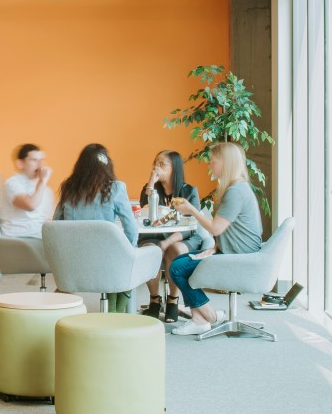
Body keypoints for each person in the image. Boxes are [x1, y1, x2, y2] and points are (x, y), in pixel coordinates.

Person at [165, 141, 265, 335]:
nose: (210, 165)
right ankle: (199, 318)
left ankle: (208, 316)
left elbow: (216, 228)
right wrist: (217, 247)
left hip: (239, 258)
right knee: (179, 262)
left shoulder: (235, 192)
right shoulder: (239, 188)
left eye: (213, 161)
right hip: (237, 252)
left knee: (177, 268)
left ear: (226, 163)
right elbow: (233, 230)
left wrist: (192, 210)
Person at [54, 143, 143, 313]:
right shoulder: (115, 188)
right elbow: (131, 227)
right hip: (105, 263)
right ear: (107, 164)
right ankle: (114, 315)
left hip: (72, 262)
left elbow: (56, 223)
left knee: (118, 260)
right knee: (125, 263)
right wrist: (131, 251)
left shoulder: (68, 188)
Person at [138, 149, 202, 322]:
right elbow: (144, 213)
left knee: (177, 249)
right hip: (154, 235)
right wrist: (151, 183)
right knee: (149, 250)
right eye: (155, 163)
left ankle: (173, 300)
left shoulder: (189, 191)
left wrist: (167, 242)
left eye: (162, 163)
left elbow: (191, 226)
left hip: (183, 237)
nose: (156, 167)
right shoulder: (150, 189)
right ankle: (154, 300)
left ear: (174, 167)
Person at [0, 143, 53, 238]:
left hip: (40, 235)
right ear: (21, 163)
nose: (40, 164)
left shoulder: (44, 188)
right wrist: (43, 180)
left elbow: (49, 217)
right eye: (34, 160)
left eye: (41, 160)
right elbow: (30, 205)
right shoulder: (12, 183)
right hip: (21, 237)